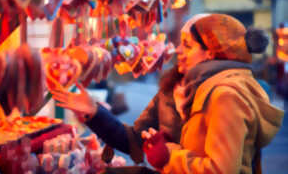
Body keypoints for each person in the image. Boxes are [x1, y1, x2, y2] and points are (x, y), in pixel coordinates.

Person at [51, 14, 284, 174]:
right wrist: (94, 112)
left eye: (188, 45)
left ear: (211, 53)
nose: (178, 51)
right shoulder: (175, 91)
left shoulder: (226, 96)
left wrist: (168, 156)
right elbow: (134, 140)